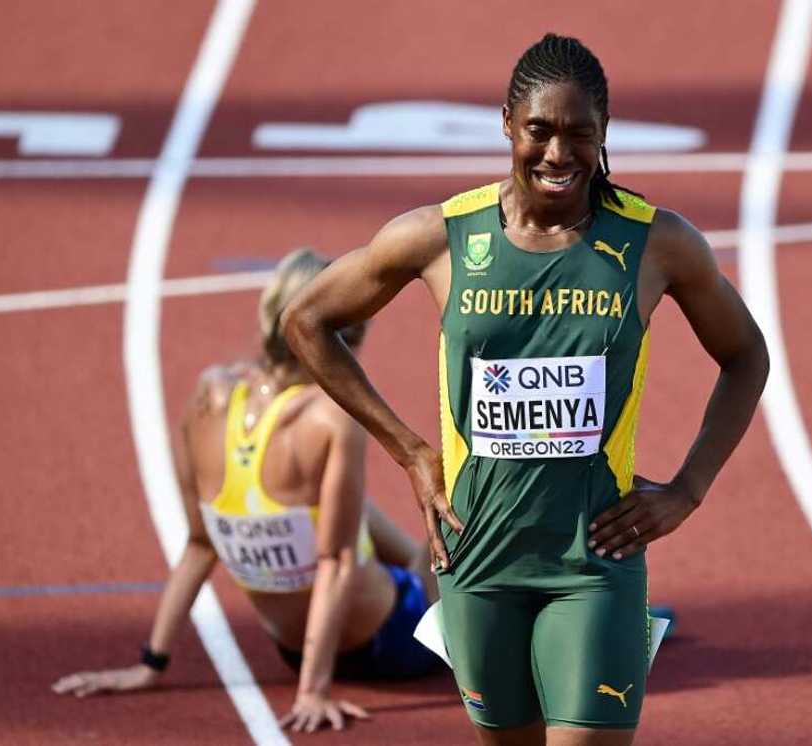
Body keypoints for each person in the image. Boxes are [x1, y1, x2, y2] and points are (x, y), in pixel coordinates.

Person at [282, 33, 769, 746]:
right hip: (477, 559)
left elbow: (746, 355)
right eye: (539, 130)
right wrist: (411, 452)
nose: (558, 153)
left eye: (580, 134)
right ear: (507, 123)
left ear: (604, 133)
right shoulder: (442, 236)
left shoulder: (656, 243)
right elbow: (307, 321)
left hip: (592, 561)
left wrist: (689, 488)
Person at [52, 249, 442, 733]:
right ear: (347, 339)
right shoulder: (331, 418)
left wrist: (151, 662)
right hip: (392, 641)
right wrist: (313, 692)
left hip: (292, 649)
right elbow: (336, 562)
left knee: (337, 505)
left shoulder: (210, 396)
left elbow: (200, 545)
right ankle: (451, 591)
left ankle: (417, 567)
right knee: (458, 485)